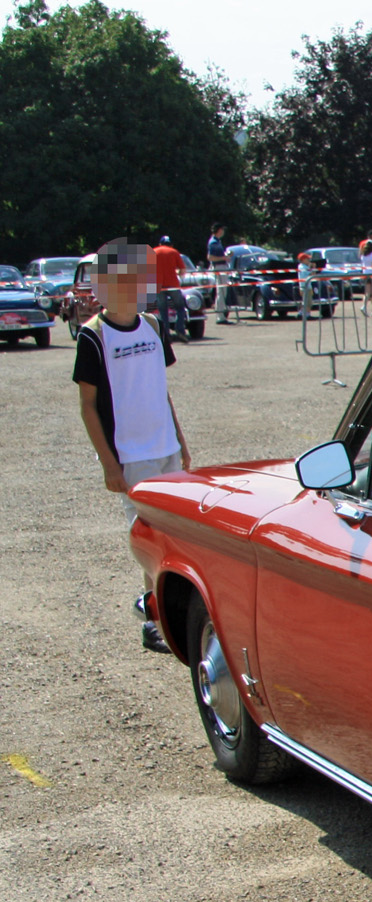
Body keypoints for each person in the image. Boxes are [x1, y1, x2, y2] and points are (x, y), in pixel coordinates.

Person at [73, 239, 192, 653]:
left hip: (165, 449)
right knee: (151, 539)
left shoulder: (154, 326)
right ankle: (154, 622)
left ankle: (160, 608)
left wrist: (180, 439)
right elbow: (88, 406)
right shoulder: (93, 336)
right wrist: (109, 464)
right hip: (132, 457)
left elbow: (161, 390)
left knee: (175, 535)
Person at [148, 235, 189, 342]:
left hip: (159, 286)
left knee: (163, 310)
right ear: (171, 244)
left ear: (160, 244)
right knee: (180, 307)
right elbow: (183, 270)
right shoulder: (174, 252)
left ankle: (166, 333)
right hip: (173, 285)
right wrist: (178, 273)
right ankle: (180, 329)